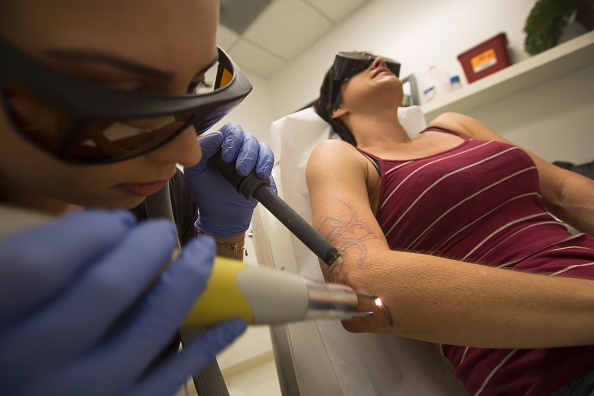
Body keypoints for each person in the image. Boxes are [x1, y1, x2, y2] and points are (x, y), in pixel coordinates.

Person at [0, 1, 274, 395]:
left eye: (194, 86)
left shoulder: (159, 190)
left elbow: (199, 320)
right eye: (127, 93)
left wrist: (223, 234)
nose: (188, 152)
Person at [306, 51, 594, 395]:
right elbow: (359, 285)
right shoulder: (341, 156)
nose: (377, 61)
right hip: (549, 370)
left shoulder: (455, 124)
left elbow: (562, 189)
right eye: (355, 67)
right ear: (336, 107)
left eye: (383, 60)